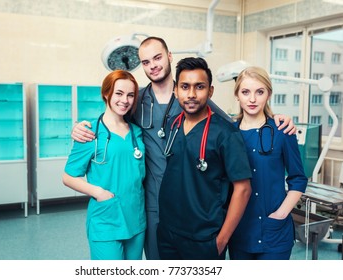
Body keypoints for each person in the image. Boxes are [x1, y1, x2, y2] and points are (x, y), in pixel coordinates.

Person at [71, 37, 296, 260]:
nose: (153, 65)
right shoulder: (136, 99)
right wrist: (79, 127)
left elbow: (238, 121)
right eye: (146, 62)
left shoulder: (199, 103)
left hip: (199, 210)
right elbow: (112, 117)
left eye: (157, 57)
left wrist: (275, 119)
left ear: (169, 57)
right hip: (153, 204)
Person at [157, 57, 252, 260]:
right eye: (185, 86)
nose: (191, 94)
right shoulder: (171, 126)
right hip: (168, 233)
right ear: (176, 90)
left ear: (210, 91)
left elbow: (243, 189)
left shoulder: (225, 134)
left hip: (204, 238)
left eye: (199, 87)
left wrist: (222, 240)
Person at [62, 70, 146, 260]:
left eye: (130, 95)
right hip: (106, 219)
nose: (125, 100)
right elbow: (68, 177)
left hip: (136, 218)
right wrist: (99, 193)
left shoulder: (137, 132)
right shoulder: (90, 133)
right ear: (106, 93)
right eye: (119, 93)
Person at [228, 66, 307, 260]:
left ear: (269, 94)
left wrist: (281, 214)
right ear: (237, 95)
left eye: (259, 92)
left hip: (275, 234)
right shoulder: (228, 133)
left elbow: (298, 179)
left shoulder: (282, 131)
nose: (252, 99)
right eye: (246, 92)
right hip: (240, 231)